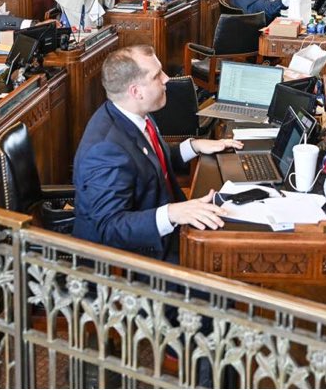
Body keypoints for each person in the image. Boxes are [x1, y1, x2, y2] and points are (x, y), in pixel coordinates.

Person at [72, 45, 239, 259]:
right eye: (157, 75)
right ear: (136, 92)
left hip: (168, 231)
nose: (167, 79)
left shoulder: (132, 113)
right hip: (138, 259)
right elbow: (109, 228)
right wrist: (172, 214)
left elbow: (148, 161)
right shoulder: (106, 150)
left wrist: (193, 146)